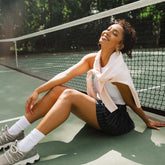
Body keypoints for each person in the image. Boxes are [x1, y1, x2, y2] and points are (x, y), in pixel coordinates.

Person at [0, 19, 165, 165]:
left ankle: (24, 149)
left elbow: (130, 100)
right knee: (58, 90)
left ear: (119, 45)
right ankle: (14, 132)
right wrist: (38, 90)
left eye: (114, 33)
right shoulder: (92, 59)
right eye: (108, 28)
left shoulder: (117, 70)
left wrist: (146, 120)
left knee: (68, 95)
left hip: (116, 119)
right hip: (103, 108)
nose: (107, 32)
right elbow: (66, 75)